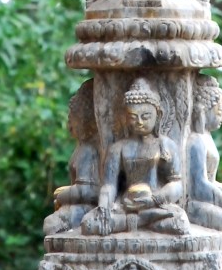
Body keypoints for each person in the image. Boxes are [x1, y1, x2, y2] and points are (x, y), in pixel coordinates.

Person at [81, 80, 189, 236]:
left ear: (158, 115)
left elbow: (177, 183)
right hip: (126, 205)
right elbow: (110, 185)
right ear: (125, 118)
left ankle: (134, 222)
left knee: (180, 223)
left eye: (146, 116)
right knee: (88, 224)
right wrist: (104, 207)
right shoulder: (118, 148)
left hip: (156, 204)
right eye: (133, 117)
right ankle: (142, 222)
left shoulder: (166, 145)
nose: (139, 122)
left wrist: (154, 200)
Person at [43, 80, 100, 235]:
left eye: (73, 119)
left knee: (51, 224)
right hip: (78, 203)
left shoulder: (89, 150)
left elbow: (89, 191)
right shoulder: (81, 148)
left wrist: (62, 196)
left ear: (87, 122)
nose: (69, 124)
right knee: (51, 224)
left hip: (88, 206)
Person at [186, 75, 222, 232]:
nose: (221, 117)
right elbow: (197, 184)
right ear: (204, 109)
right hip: (194, 202)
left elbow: (211, 181)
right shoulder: (196, 140)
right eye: (218, 112)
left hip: (208, 199)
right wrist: (219, 197)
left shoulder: (207, 137)